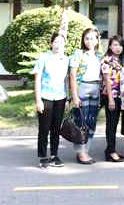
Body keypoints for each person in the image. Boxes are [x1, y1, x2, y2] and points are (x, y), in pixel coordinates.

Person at [33, 32, 70, 168]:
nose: (58, 45)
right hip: (46, 97)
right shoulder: (43, 57)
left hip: (60, 97)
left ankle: (54, 155)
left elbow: (66, 80)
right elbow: (37, 80)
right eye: (56, 42)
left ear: (64, 45)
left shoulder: (66, 60)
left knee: (56, 128)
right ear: (51, 43)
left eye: (61, 42)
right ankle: (43, 156)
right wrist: (38, 100)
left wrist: (68, 98)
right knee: (44, 128)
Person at [69, 27, 103, 165]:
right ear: (83, 40)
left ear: (97, 40)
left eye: (92, 38)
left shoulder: (99, 55)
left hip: (96, 88)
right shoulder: (78, 54)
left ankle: (86, 151)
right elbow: (72, 75)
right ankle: (80, 152)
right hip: (82, 87)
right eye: (87, 38)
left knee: (91, 121)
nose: (89, 41)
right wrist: (74, 96)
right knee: (81, 122)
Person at [100, 36, 124, 162]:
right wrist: (110, 99)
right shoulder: (107, 60)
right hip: (111, 96)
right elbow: (107, 81)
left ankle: (110, 150)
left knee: (114, 124)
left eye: (120, 45)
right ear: (110, 46)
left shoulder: (118, 60)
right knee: (111, 124)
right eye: (115, 45)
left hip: (118, 96)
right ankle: (111, 152)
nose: (118, 47)